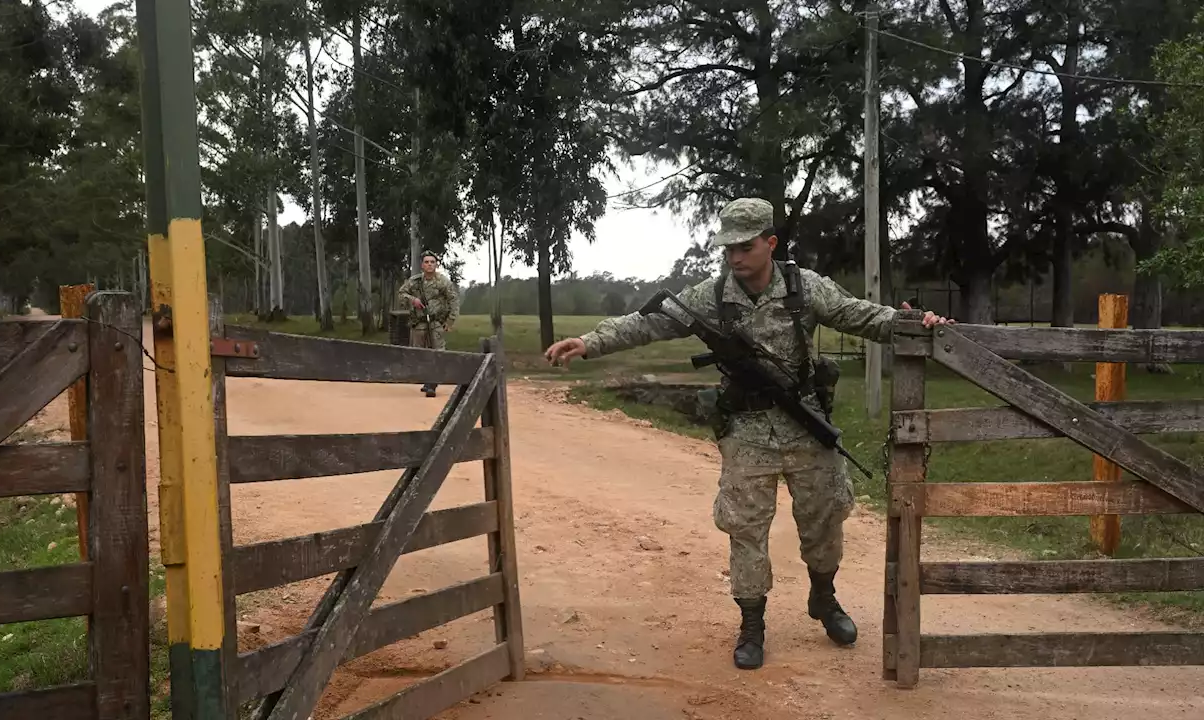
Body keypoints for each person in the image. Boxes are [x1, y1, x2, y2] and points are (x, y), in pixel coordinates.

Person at [543, 198, 952, 670]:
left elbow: (859, 315)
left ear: (770, 243)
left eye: (746, 246)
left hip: (806, 425)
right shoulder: (713, 295)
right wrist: (592, 341)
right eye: (728, 248)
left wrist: (914, 322)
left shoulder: (805, 288)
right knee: (745, 529)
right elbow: (650, 322)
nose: (735, 257)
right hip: (746, 430)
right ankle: (752, 625)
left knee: (824, 518)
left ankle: (824, 598)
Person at [397, 250, 460, 397]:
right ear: (422, 265)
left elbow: (453, 300)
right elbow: (401, 294)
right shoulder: (415, 281)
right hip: (419, 323)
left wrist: (450, 321)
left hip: (436, 322)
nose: (430, 264)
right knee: (420, 353)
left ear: (436, 265)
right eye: (427, 262)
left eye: (432, 262)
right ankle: (427, 380)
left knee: (438, 352)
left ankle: (433, 383)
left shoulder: (443, 281)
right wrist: (413, 300)